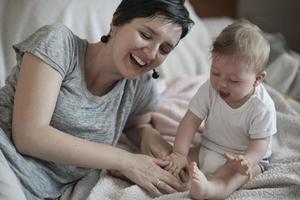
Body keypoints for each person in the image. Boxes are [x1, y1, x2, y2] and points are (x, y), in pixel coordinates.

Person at [0, 0, 194, 199]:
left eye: (164, 50)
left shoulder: (140, 85)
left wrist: (161, 150)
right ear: (116, 21)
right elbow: (29, 136)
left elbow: (138, 126)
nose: (152, 54)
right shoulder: (59, 43)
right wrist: (126, 161)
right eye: (145, 35)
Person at [164, 20, 277, 199]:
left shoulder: (261, 107)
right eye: (216, 73)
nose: (221, 84)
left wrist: (246, 161)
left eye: (234, 80)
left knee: (230, 177)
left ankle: (210, 190)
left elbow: (260, 143)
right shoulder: (209, 89)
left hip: (244, 158)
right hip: (208, 146)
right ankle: (161, 175)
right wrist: (179, 153)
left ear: (258, 79)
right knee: (175, 162)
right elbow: (190, 121)